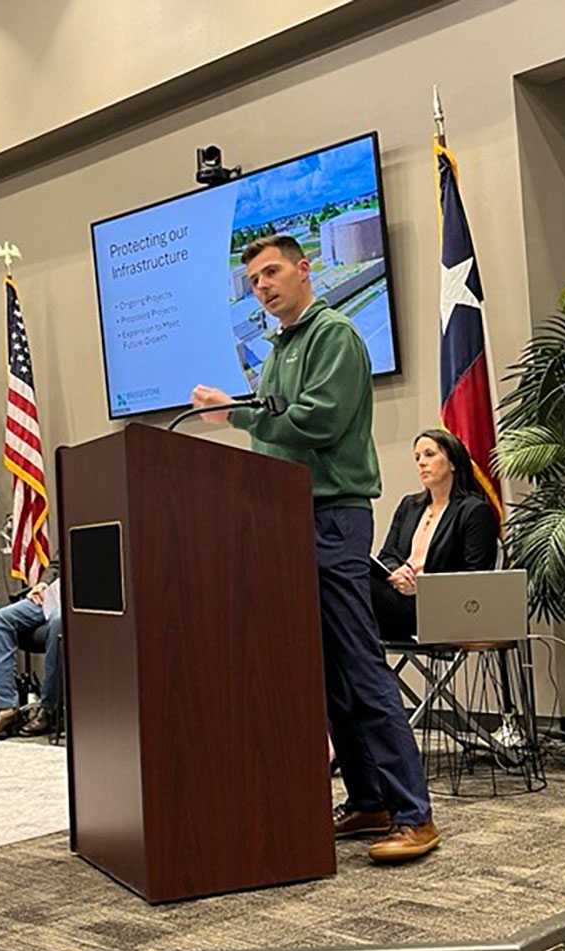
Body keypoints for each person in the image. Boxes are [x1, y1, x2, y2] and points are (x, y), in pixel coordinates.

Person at [190, 233, 438, 865]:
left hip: (331, 517)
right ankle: (370, 799)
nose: (263, 287)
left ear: (305, 270)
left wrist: (236, 415)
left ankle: (415, 815)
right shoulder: (279, 349)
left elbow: (318, 422)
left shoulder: (334, 335)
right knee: (326, 673)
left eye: (272, 273)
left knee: (359, 662)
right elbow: (277, 431)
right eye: (254, 281)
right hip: (285, 518)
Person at [373, 428, 500, 641]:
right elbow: (387, 555)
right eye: (417, 458)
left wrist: (422, 587)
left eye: (429, 454)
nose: (421, 463)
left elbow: (475, 577)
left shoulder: (474, 511)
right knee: (351, 577)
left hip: (441, 610)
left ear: (453, 463)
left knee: (352, 590)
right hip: (397, 600)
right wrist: (398, 572)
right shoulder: (409, 506)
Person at [0, 559, 62, 740]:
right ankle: (6, 707)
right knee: (1, 618)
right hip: (57, 593)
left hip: (85, 597)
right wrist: (43, 584)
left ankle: (49, 709)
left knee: (58, 621)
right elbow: (57, 564)